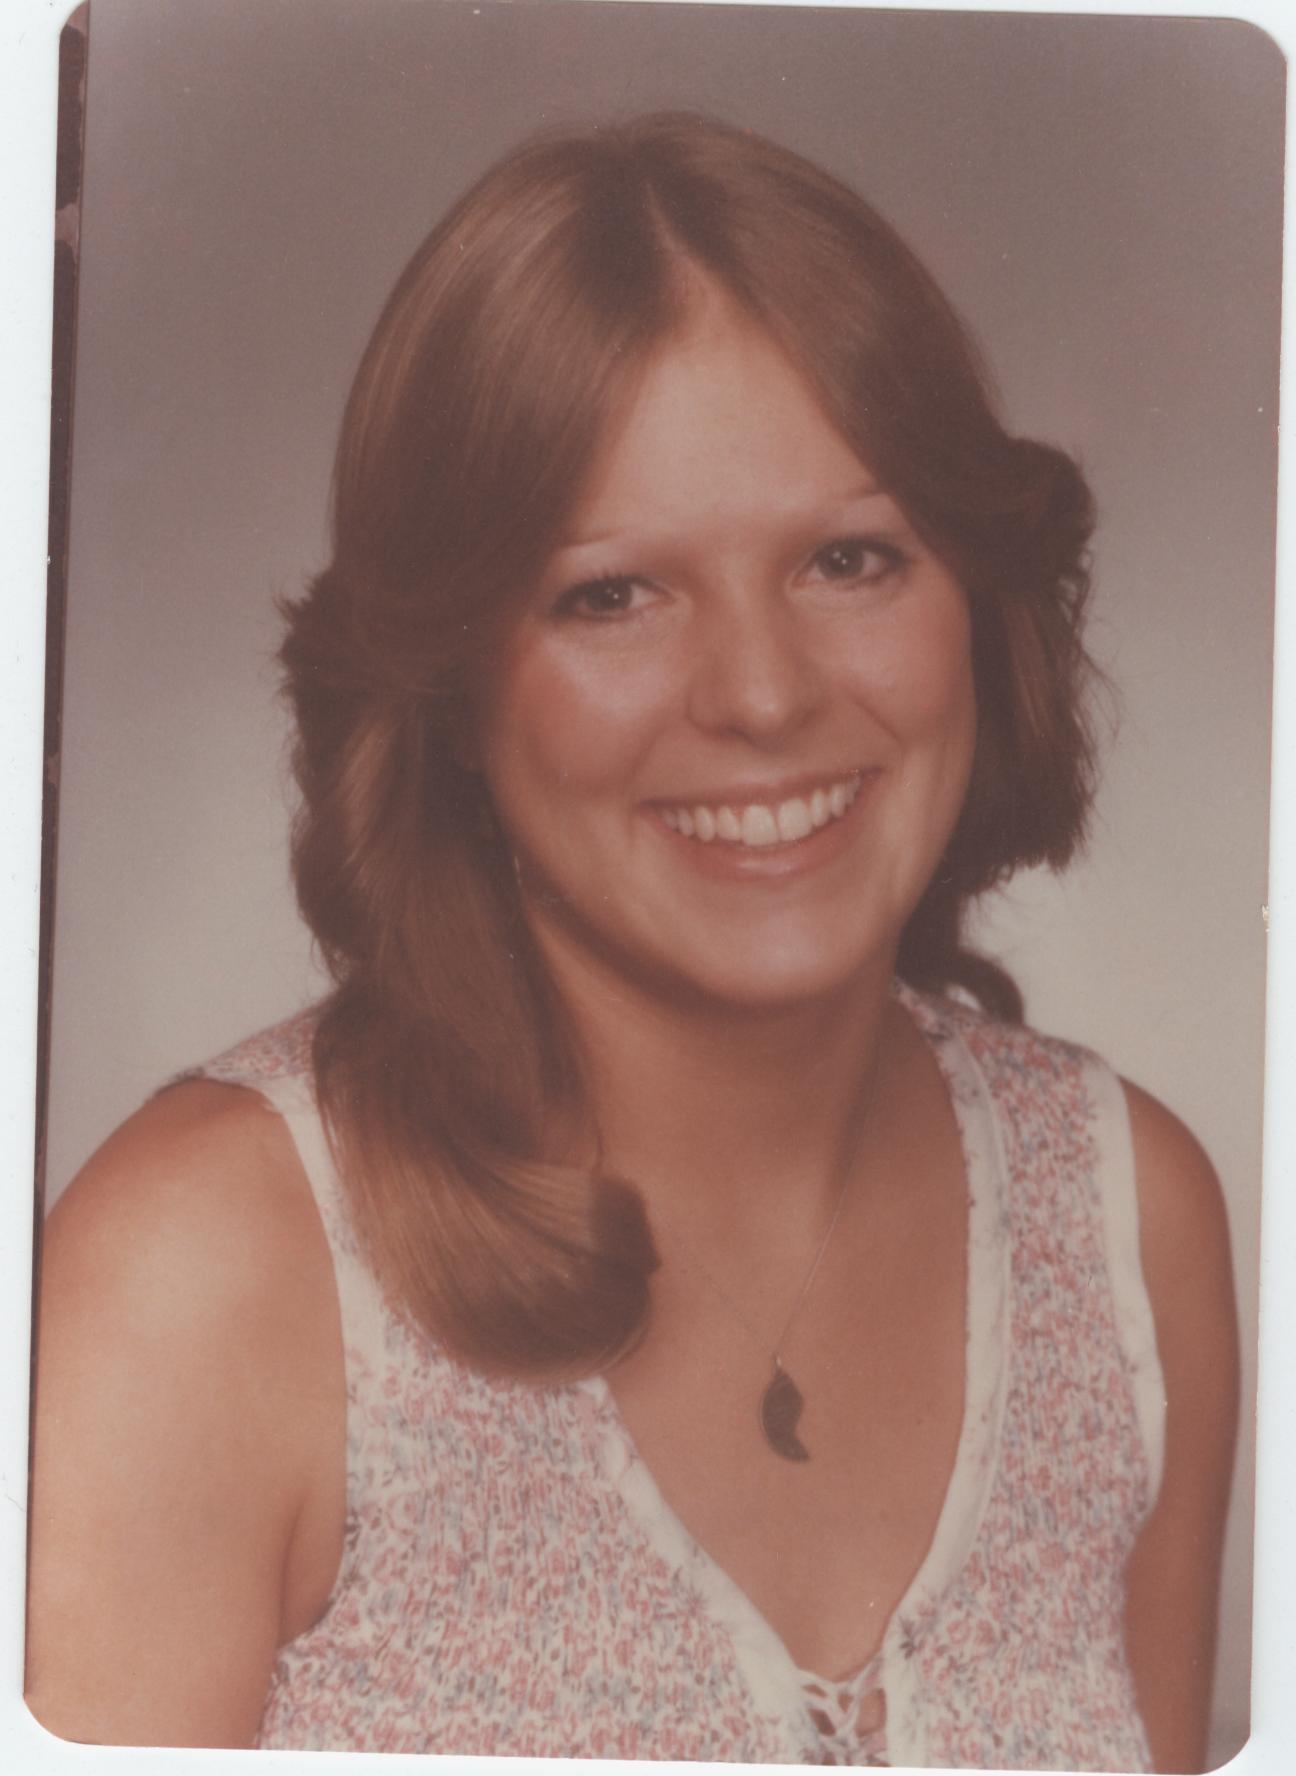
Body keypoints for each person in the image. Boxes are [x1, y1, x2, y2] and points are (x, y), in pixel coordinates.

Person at [26, 113, 1238, 1770]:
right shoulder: (207, 1274)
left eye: (851, 559)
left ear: (978, 603)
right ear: (451, 687)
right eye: (612, 593)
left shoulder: (1126, 1221)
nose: (763, 693)